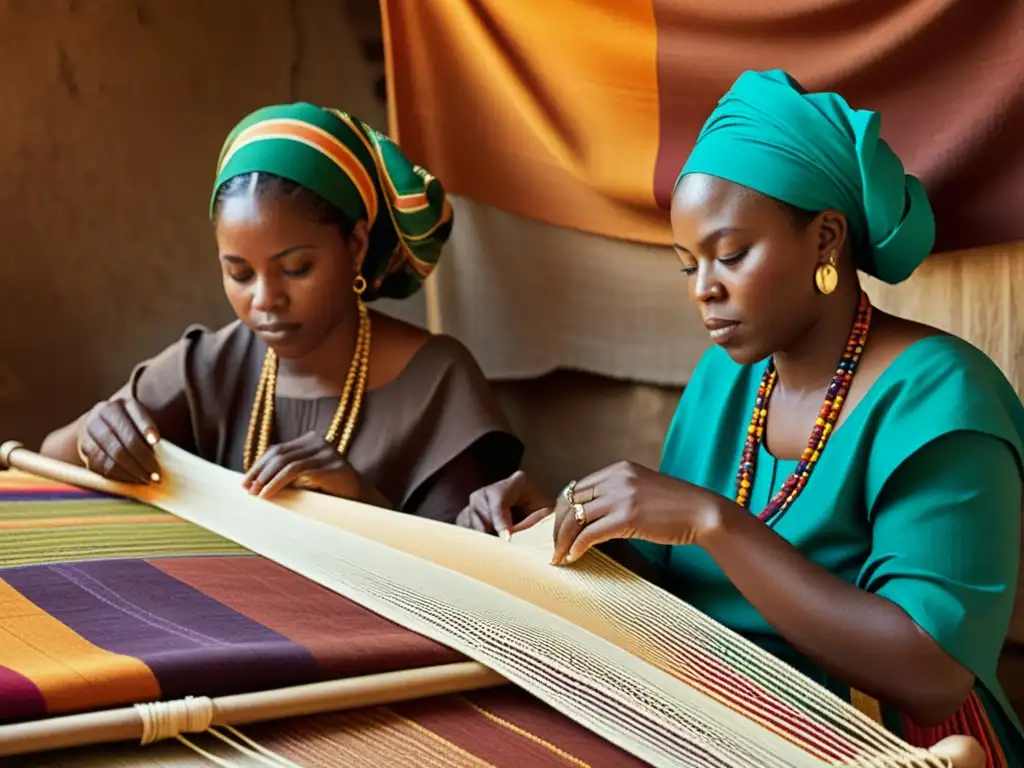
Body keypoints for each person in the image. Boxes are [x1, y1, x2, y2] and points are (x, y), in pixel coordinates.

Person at [459, 70, 1024, 760]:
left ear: (825, 240)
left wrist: (712, 521)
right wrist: (566, 523)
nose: (704, 291)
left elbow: (930, 673)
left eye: (730, 256)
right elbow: (671, 577)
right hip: (714, 709)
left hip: (883, 742)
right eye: (686, 265)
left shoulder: (942, 398)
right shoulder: (730, 382)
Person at [41, 103, 523, 522]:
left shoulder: (437, 383)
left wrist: (358, 497)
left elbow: (473, 572)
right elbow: (45, 461)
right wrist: (92, 433)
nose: (265, 299)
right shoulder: (211, 365)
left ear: (355, 246)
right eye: (239, 274)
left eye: (295, 268)